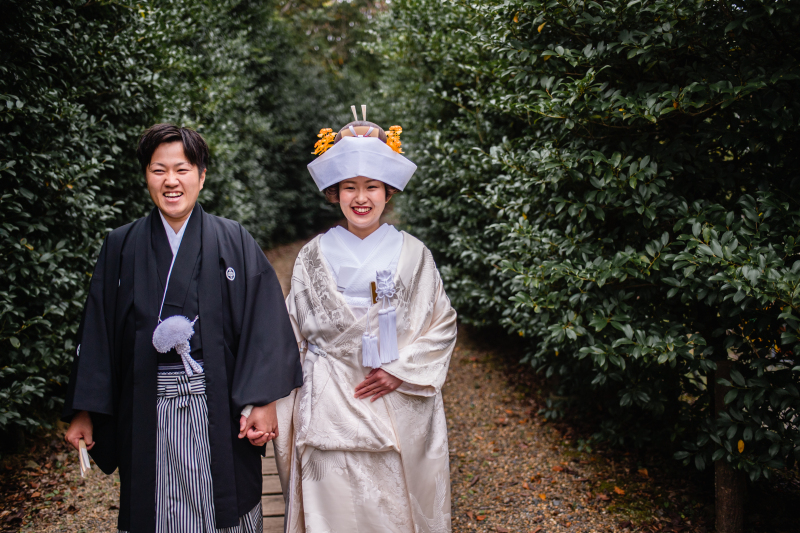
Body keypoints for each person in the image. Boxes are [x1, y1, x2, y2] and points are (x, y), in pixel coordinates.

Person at [62, 124, 303, 532]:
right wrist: (85, 410)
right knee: (153, 508)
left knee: (225, 507)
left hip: (219, 406)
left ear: (201, 175)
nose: (171, 181)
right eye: (159, 170)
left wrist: (263, 402)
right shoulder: (121, 245)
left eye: (182, 169)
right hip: (146, 405)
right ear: (146, 175)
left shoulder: (233, 239)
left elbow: (265, 326)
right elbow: (98, 331)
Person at [274, 107, 458, 532]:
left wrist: (399, 371)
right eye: (350, 187)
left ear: (388, 192)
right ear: (334, 192)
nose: (361, 198)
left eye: (372, 186)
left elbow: (442, 323)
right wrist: (267, 402)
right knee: (331, 513)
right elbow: (290, 335)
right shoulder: (312, 256)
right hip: (329, 405)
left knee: (390, 511)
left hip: (392, 402)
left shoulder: (414, 254)